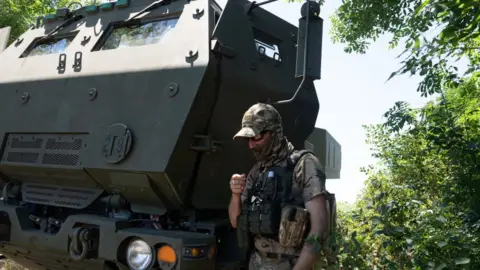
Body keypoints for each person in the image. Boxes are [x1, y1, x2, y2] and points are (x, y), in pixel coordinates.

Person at [228, 103, 335, 270]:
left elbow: (319, 231)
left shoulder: (304, 165)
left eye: (256, 137)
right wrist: (235, 195)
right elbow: (235, 221)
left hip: (291, 264)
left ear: (275, 133)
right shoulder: (257, 171)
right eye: (248, 139)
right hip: (256, 262)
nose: (251, 145)